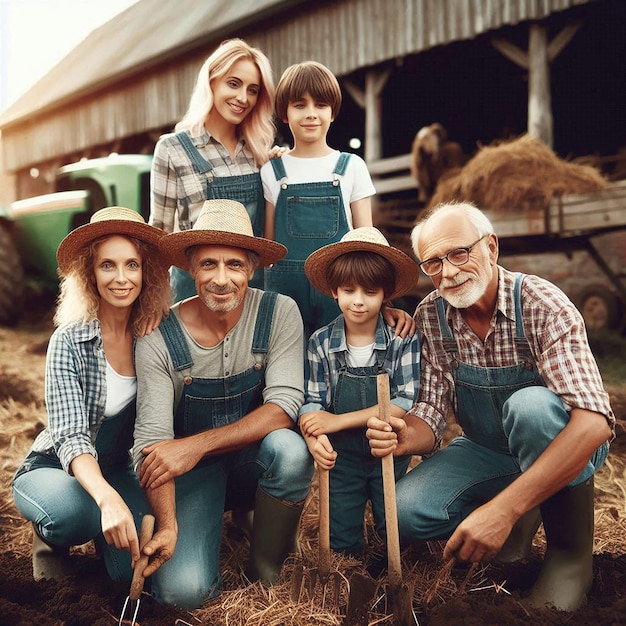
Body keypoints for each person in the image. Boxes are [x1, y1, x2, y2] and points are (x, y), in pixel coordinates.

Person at [366, 201, 615, 611]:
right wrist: (403, 434)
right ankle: (527, 500)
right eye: (433, 263)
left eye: (459, 253)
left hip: (563, 441)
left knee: (530, 407)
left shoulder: (541, 304)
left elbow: (594, 424)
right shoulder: (432, 314)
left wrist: (503, 510)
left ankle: (570, 556)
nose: (448, 272)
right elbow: (431, 408)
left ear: (491, 248)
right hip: (487, 449)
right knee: (404, 513)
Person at [132, 198, 314, 609]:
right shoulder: (158, 336)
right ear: (190, 268)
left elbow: (284, 406)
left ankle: (265, 574)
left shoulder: (279, 311)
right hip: (190, 475)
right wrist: (168, 523)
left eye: (234, 265)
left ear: (252, 268)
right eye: (208, 264)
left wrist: (195, 444)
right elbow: (153, 445)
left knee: (291, 452)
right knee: (184, 593)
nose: (221, 278)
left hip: (248, 459)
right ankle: (207, 520)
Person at [12, 207, 171, 583]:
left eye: (132, 265)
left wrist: (117, 494)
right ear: (89, 272)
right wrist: (107, 498)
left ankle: (106, 530)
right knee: (76, 514)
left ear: (146, 271)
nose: (121, 278)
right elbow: (70, 435)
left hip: (118, 469)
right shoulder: (69, 340)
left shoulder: (154, 333)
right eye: (107, 266)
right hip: (57, 466)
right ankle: (49, 539)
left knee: (136, 574)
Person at [299, 227, 421, 567]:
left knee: (396, 531)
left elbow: (405, 401)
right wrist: (313, 429)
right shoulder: (321, 343)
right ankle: (350, 576)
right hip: (342, 460)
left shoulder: (402, 340)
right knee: (341, 543)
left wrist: (337, 420)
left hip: (389, 453)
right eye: (349, 290)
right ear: (334, 292)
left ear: (385, 294)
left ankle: (391, 575)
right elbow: (312, 403)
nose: (358, 300)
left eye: (370, 291)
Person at [150, 38, 277, 299]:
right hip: (193, 294)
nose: (243, 98)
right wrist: (153, 303)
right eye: (233, 84)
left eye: (253, 90)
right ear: (211, 83)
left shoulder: (261, 153)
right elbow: (158, 238)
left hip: (251, 291)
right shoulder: (173, 149)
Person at [261, 60, 380, 338]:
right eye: (300, 105)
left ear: (333, 112)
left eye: (321, 105)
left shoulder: (351, 166)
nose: (311, 114)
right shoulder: (271, 170)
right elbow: (269, 247)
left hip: (340, 291)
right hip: (285, 295)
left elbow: (367, 243)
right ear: (285, 113)